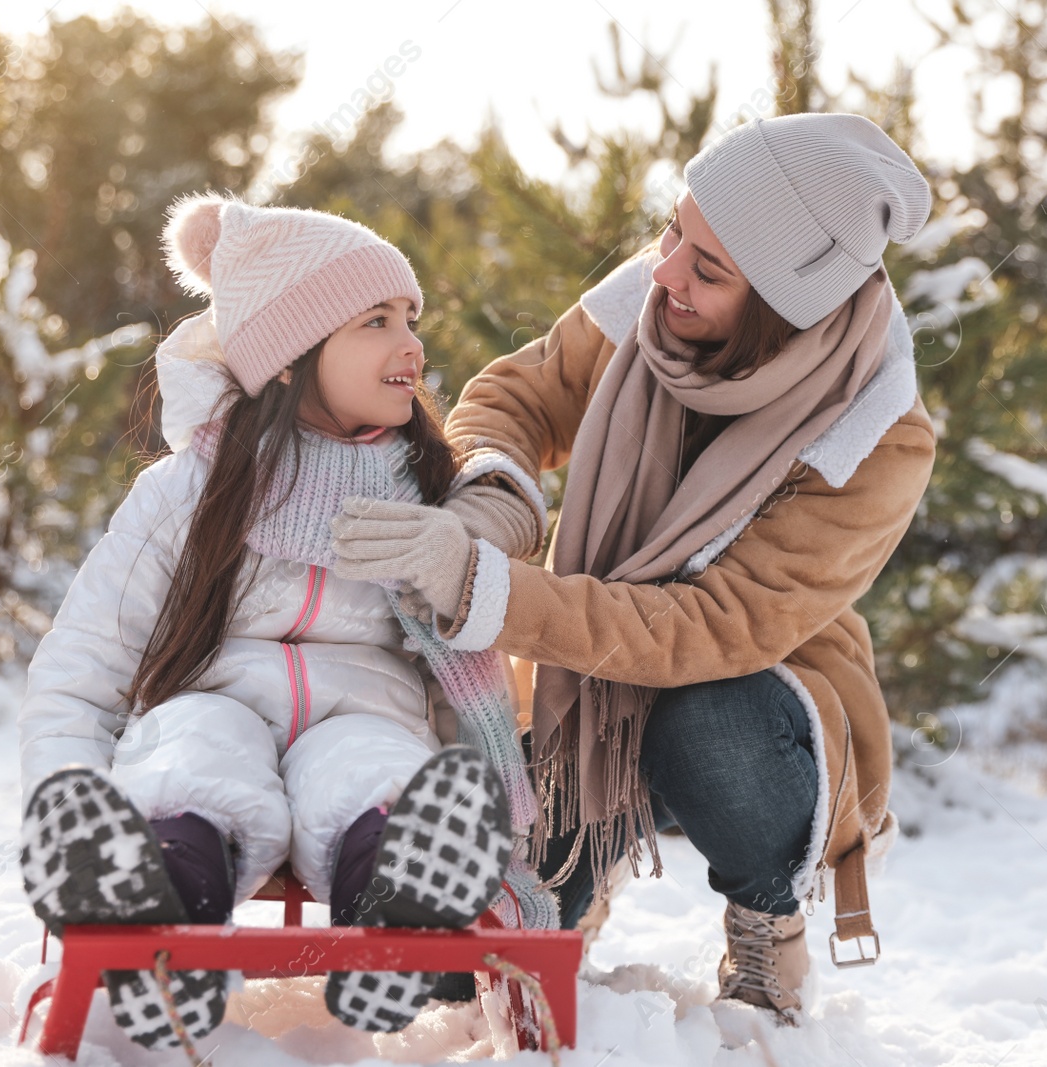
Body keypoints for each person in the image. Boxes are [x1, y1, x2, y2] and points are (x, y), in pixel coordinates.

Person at [329, 112, 936, 1025]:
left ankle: (767, 919)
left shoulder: (876, 436)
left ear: (786, 304)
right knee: (469, 983)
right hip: (583, 693)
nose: (666, 272)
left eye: (708, 267)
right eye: (674, 232)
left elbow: (713, 628)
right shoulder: (648, 312)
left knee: (707, 718)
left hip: (754, 700)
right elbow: (515, 395)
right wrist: (493, 494)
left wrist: (487, 591)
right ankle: (581, 854)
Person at [15, 195, 551, 1050]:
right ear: (295, 351)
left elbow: (456, 668)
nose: (410, 343)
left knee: (376, 769)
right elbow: (84, 661)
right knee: (193, 753)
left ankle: (400, 904)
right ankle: (153, 902)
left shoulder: (419, 493)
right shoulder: (191, 490)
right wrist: (64, 789)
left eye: (411, 317)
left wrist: (484, 811)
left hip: (363, 713)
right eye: (375, 320)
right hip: (212, 699)